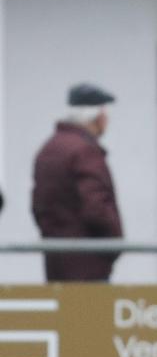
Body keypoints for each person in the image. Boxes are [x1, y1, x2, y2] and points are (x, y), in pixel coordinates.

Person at [32, 83, 122, 281]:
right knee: (90, 311)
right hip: (88, 265)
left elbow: (38, 206)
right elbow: (97, 208)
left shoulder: (49, 149)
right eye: (104, 113)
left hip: (56, 262)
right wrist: (114, 245)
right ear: (97, 117)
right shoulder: (85, 152)